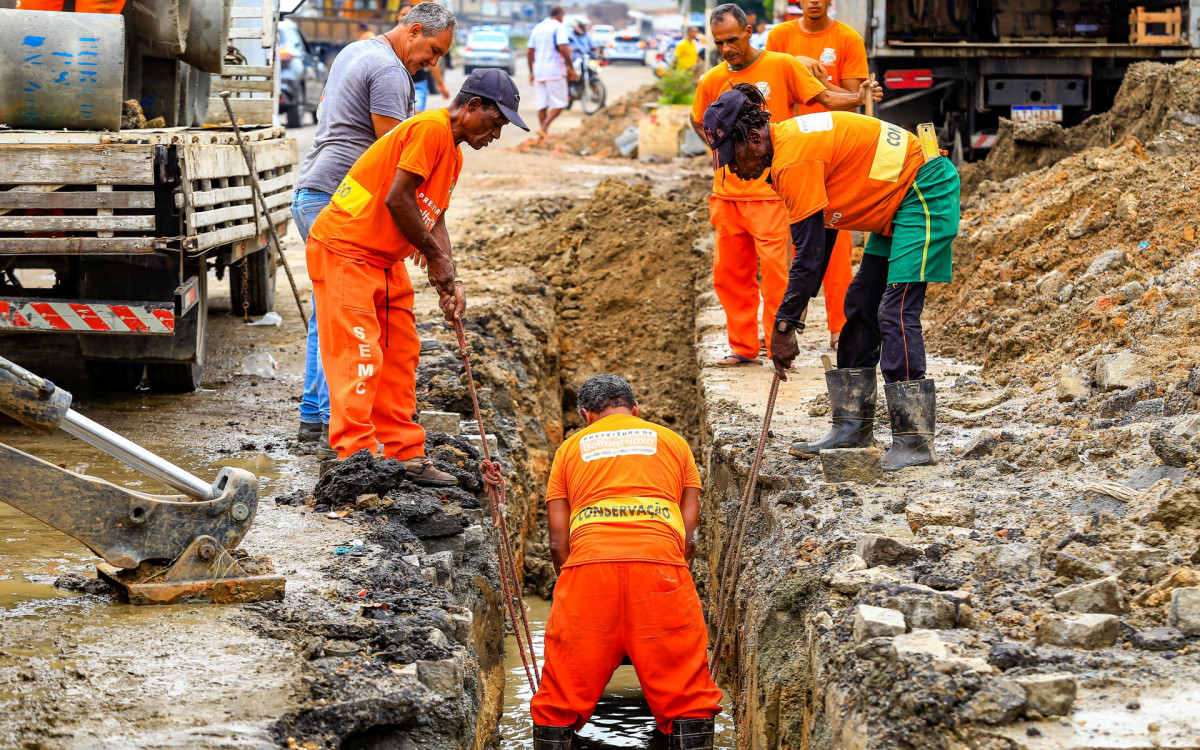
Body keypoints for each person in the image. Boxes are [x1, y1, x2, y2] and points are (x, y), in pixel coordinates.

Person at [702, 84, 959, 471]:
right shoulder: (791, 147)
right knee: (860, 303)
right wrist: (789, 320)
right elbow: (818, 246)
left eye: (732, 156)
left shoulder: (793, 161)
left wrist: (784, 326)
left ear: (754, 138)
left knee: (896, 309)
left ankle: (914, 440)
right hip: (895, 201)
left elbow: (809, 257)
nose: (732, 170)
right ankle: (852, 426)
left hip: (924, 188)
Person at [305, 68, 529, 483]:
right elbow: (398, 199)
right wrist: (434, 256)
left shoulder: (453, 152)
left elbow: (433, 211)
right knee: (361, 356)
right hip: (347, 249)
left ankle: (402, 451)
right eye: (495, 122)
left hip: (384, 257)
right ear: (473, 106)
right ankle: (357, 459)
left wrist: (449, 274)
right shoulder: (430, 129)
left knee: (401, 352)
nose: (496, 134)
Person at [292, 1, 455, 458]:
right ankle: (332, 426)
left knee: (331, 313)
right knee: (347, 316)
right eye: (434, 49)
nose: (433, 62)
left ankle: (316, 417)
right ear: (415, 29)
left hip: (316, 189)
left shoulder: (354, 51)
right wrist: (423, 233)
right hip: (340, 200)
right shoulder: (389, 72)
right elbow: (396, 162)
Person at [529, 374, 722, 750]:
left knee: (561, 691)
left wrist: (573, 579)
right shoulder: (674, 442)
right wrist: (675, 569)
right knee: (688, 692)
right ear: (635, 410)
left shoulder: (569, 449)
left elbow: (556, 540)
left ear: (586, 415)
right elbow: (691, 528)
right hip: (661, 564)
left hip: (588, 567)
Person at [689, 3, 879, 369]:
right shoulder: (712, 78)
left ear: (749, 31)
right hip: (727, 196)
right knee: (729, 276)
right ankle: (743, 346)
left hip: (772, 194)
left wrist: (858, 97)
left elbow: (823, 97)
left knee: (778, 275)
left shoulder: (781, 65)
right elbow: (697, 118)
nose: (727, 49)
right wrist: (722, 151)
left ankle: (778, 339)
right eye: (719, 43)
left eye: (732, 40)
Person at [767, 0, 871, 349]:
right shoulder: (781, 35)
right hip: (793, 154)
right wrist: (796, 63)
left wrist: (818, 85)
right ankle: (786, 323)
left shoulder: (847, 39)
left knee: (836, 245)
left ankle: (840, 327)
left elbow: (854, 99)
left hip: (834, 155)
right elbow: (767, 77)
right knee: (793, 245)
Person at [528, 5, 578, 137]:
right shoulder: (558, 27)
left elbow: (530, 51)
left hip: (539, 71)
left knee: (542, 104)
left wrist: (531, 72)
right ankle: (544, 128)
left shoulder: (538, 28)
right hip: (554, 71)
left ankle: (542, 133)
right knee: (561, 103)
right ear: (560, 15)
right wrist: (571, 67)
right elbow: (563, 47)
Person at [400, 2, 452, 112]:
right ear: (397, 16)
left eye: (409, 15)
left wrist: (442, 86)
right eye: (403, 14)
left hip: (418, 85)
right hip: (398, 86)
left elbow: (433, 64)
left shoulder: (422, 37)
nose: (405, 18)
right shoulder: (391, 40)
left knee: (415, 117)